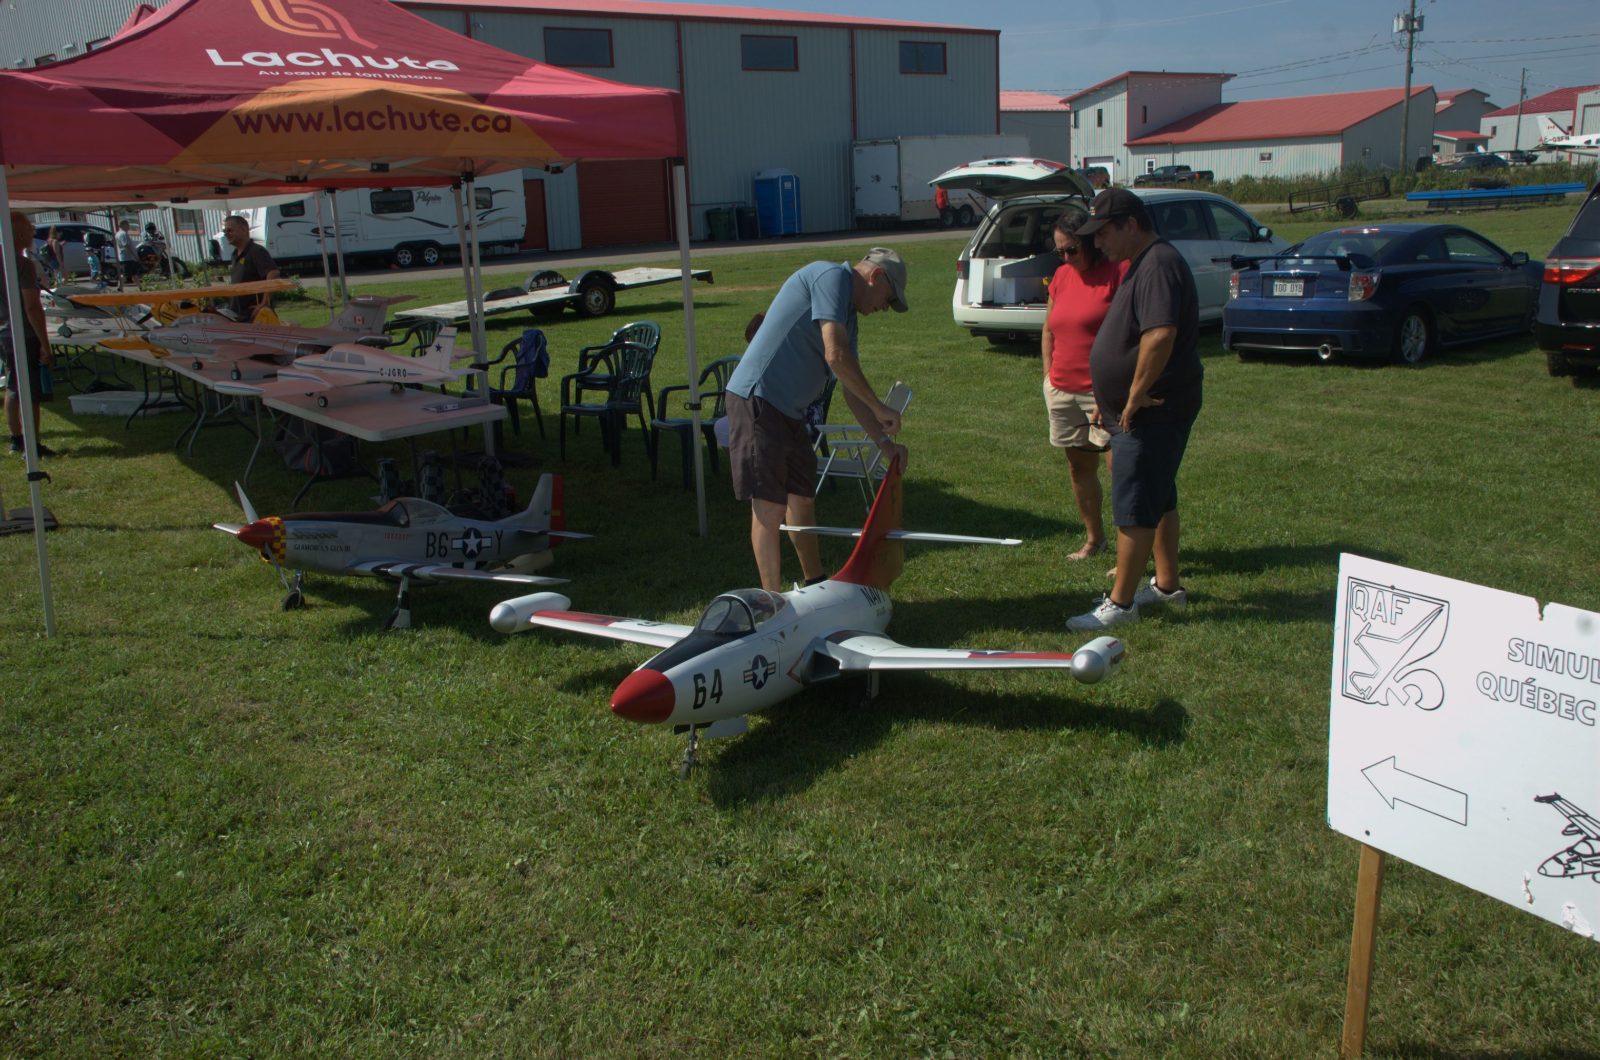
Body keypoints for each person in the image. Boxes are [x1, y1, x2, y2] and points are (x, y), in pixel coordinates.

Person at [724, 248, 910, 592]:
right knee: (770, 505)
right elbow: (835, 355)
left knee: (803, 499)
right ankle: (772, 600)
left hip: (789, 411)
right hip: (757, 399)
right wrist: (882, 409)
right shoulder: (832, 277)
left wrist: (885, 445)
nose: (885, 307)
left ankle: (815, 583)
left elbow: (850, 391)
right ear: (876, 277)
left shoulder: (847, 316)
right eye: (889, 297)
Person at [1066, 188, 1201, 631]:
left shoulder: (1158, 264)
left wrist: (1136, 393)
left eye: (1103, 233)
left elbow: (1160, 334)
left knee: (1135, 501)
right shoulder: (1141, 263)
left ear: (1130, 224)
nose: (1096, 243)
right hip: (1140, 407)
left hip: (1153, 408)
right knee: (1159, 495)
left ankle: (1120, 604)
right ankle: (1167, 587)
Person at [1042, 211, 1124, 562]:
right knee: (1079, 468)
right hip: (1062, 388)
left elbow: (1126, 336)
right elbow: (1049, 327)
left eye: (1071, 250)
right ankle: (1095, 540)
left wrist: (1108, 391)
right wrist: (1048, 376)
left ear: (1090, 242)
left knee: (1118, 469)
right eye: (1059, 252)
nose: (1065, 258)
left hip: (1103, 392)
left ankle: (1130, 552)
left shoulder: (1117, 273)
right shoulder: (1061, 276)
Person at [3, 211, 56, 457]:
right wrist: (45, 344)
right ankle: (31, 445)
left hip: (4, 332)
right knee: (30, 391)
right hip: (23, 333)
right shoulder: (21, 264)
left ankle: (16, 439)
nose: (33, 233)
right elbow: (32, 307)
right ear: (20, 233)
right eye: (30, 229)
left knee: (13, 384)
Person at [222, 214, 281, 320]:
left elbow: (273, 273)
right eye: (224, 231)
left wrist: (264, 302)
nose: (226, 234)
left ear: (244, 229)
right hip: (239, 315)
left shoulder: (256, 251)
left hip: (256, 316)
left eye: (229, 230)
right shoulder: (234, 255)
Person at [114, 219, 140, 287]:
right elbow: (126, 246)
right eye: (127, 225)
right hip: (127, 258)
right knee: (125, 274)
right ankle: (119, 287)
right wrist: (134, 256)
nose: (129, 226)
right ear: (123, 225)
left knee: (134, 274)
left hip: (128, 257)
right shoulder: (123, 234)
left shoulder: (118, 233)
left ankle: (140, 287)